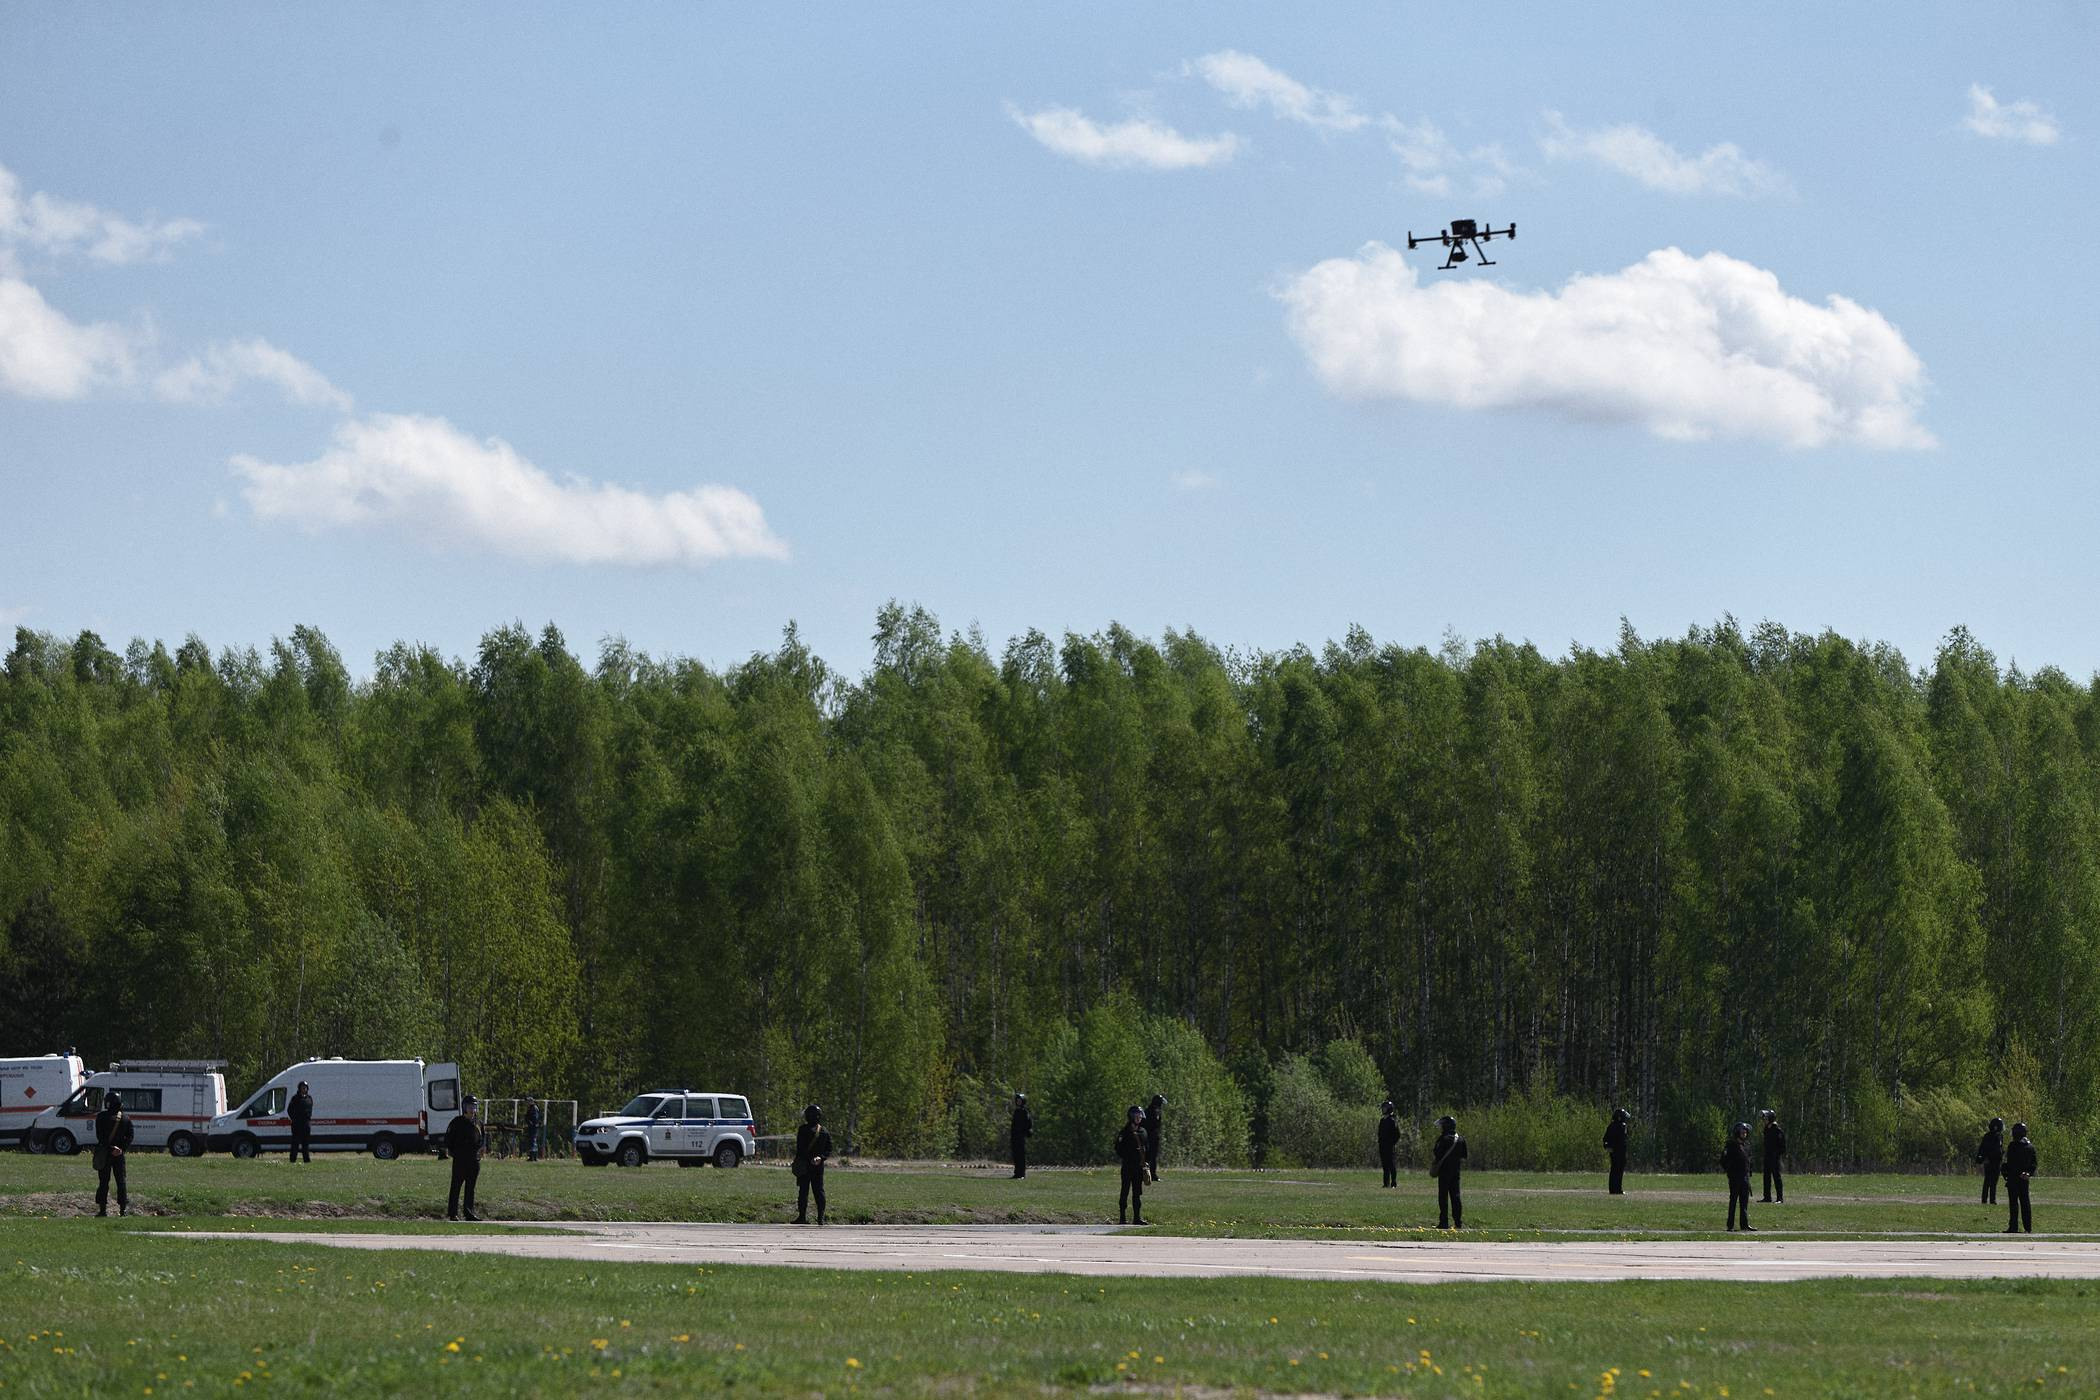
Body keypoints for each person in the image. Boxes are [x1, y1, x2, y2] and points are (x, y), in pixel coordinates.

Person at [93, 1090, 134, 1218]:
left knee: (104, 1182)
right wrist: (121, 1149)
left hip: (105, 1153)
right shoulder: (126, 1118)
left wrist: (111, 1148)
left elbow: (100, 1136)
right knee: (121, 1182)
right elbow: (130, 1136)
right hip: (119, 1155)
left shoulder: (101, 1117)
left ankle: (102, 1210)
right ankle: (123, 1210)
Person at [444, 1095, 483, 1221]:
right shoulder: (457, 1122)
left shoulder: (478, 1123)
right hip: (460, 1160)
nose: (472, 1109)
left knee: (470, 1187)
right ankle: (453, 1213)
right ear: (464, 1108)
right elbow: (448, 1140)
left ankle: (469, 1212)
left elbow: (482, 1140)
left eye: (474, 1107)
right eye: (470, 1107)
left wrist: (480, 1151)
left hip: (474, 1160)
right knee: (456, 1186)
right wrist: (453, 1153)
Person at [792, 1105, 832, 1225]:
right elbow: (829, 1149)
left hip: (805, 1165)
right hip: (817, 1166)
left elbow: (800, 1148)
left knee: (804, 1192)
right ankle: (820, 1218)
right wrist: (820, 1158)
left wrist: (810, 1159)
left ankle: (803, 1217)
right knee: (818, 1191)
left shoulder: (803, 1130)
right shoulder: (824, 1131)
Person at [1430, 1115, 1467, 1229]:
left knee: (1443, 1197)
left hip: (1444, 1171)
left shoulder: (1443, 1139)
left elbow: (1437, 1153)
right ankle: (1458, 1222)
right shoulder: (1460, 1139)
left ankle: (1444, 1222)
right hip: (1456, 1171)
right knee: (1456, 1196)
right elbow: (1464, 1156)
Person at [1116, 1105, 1149, 1225]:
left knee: (1137, 1193)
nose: (1139, 1118)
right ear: (1131, 1117)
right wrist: (1129, 1156)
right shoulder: (1124, 1132)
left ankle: (1137, 1218)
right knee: (1125, 1191)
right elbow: (1118, 1148)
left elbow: (1147, 1148)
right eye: (1136, 1116)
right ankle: (1122, 1218)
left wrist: (1146, 1163)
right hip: (1127, 1167)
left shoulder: (1143, 1132)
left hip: (1139, 1167)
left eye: (1140, 1115)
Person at [2004, 1122, 2037, 1234]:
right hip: (2024, 1178)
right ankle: (2028, 1227)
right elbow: (2034, 1163)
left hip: (2014, 1178)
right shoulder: (2030, 1147)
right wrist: (2028, 1173)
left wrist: (2006, 1173)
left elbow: (2010, 1163)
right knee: (2025, 1203)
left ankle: (2013, 1226)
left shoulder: (2013, 1146)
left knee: (2014, 1204)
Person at [1723, 1122, 1755, 1232]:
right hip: (1735, 1177)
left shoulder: (1747, 1146)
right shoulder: (1731, 1145)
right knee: (1733, 1201)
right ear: (1737, 1133)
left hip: (1745, 1178)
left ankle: (1744, 1225)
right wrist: (1730, 1172)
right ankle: (1730, 1225)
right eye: (1742, 1132)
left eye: (1746, 1132)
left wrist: (1749, 1172)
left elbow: (1749, 1161)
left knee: (1744, 1202)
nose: (1744, 1134)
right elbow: (1723, 1160)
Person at [1976, 1116, 2005, 1206]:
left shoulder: (1988, 1136)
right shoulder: (1997, 1136)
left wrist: (1981, 1159)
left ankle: (1985, 1199)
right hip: (1993, 1161)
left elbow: (1982, 1148)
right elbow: (1996, 1149)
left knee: (1988, 1181)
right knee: (1992, 1181)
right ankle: (1992, 1199)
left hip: (1989, 1161)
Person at [1760, 1109, 1786, 1204]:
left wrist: (1776, 1154)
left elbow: (1782, 1146)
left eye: (1766, 1119)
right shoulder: (1766, 1129)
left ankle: (1780, 1198)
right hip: (1767, 1156)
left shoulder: (1777, 1130)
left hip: (1775, 1158)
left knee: (1776, 1177)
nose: (1764, 1120)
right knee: (1766, 1177)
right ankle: (1767, 1197)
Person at [287, 1080, 314, 1165]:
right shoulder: (295, 1098)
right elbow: (289, 1110)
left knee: (305, 1144)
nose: (304, 1089)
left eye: (305, 1087)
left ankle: (306, 1160)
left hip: (306, 1124)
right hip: (297, 1125)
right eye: (302, 1087)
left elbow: (310, 1109)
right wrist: (294, 1119)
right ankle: (292, 1160)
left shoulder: (309, 1098)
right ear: (299, 1088)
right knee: (295, 1143)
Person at [1378, 1100, 1401, 1188]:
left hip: (1390, 1147)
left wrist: (1391, 1143)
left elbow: (1397, 1135)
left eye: (1385, 1108)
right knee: (1385, 1166)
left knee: (1391, 1165)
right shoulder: (1382, 1120)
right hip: (1382, 1146)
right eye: (1383, 1108)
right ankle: (1386, 1183)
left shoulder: (1392, 1121)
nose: (1383, 1109)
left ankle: (1393, 1183)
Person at [1009, 1093, 1033, 1179]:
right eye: (1017, 1100)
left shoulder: (1024, 1112)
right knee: (1015, 1155)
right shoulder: (1016, 1111)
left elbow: (1029, 1124)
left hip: (1021, 1136)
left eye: (1020, 1100)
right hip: (1015, 1136)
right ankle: (1016, 1173)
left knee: (1021, 1156)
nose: (1018, 1102)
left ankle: (1022, 1174)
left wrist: (1027, 1132)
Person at [1144, 1094, 1165, 1182]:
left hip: (1154, 1137)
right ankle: (1147, 1174)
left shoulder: (1156, 1111)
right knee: (1148, 1156)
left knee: (1153, 1157)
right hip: (1149, 1137)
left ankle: (1152, 1174)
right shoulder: (1149, 1111)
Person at [523, 1096, 543, 1162]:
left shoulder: (534, 1108)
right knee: (531, 1141)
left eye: (527, 1101)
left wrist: (530, 1122)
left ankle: (534, 1157)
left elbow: (535, 1119)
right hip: (531, 1127)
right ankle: (531, 1156)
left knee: (533, 1141)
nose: (526, 1103)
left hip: (534, 1127)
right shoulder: (530, 1108)